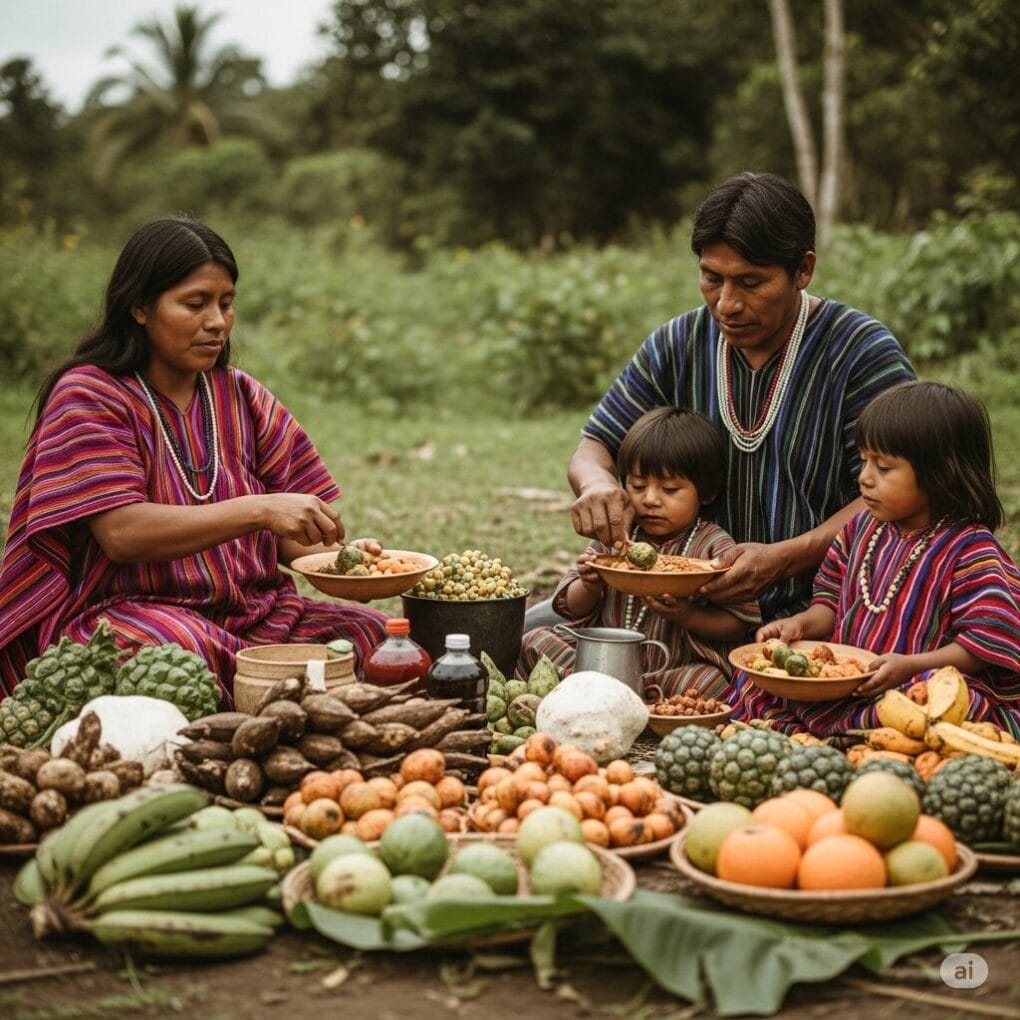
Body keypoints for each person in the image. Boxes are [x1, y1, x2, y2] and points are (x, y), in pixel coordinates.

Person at [0, 218, 388, 706]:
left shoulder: (240, 394)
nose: (217, 322)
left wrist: (342, 564)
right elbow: (121, 534)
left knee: (369, 636)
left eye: (226, 303)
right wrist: (259, 508)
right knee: (184, 654)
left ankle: (269, 698)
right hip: (131, 612)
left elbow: (288, 537)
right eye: (195, 303)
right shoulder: (90, 394)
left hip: (253, 613)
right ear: (139, 307)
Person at [567, 172, 916, 624]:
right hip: (675, 616)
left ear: (803, 270)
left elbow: (906, 491)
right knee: (532, 633)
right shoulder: (678, 343)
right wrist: (596, 484)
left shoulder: (859, 352)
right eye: (712, 278)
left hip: (823, 613)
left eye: (751, 283)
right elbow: (593, 447)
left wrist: (786, 558)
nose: (727, 303)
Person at [739, 381, 1020, 736]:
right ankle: (831, 731)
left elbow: (983, 645)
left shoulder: (970, 549)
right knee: (755, 678)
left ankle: (844, 733)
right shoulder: (859, 530)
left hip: (914, 683)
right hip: (849, 685)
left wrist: (911, 666)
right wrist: (799, 625)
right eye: (863, 460)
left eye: (884, 468)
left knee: (933, 702)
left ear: (942, 473)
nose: (864, 478)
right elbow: (829, 605)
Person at [518, 407, 761, 699]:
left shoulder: (713, 545)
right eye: (637, 485)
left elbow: (737, 624)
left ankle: (603, 696)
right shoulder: (616, 536)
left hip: (669, 668)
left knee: (710, 681)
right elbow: (570, 608)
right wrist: (588, 585)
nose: (650, 499)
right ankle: (617, 695)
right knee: (534, 641)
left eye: (670, 489)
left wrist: (688, 615)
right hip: (599, 664)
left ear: (706, 493)